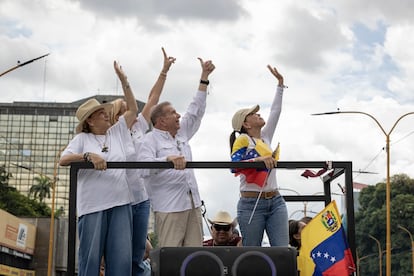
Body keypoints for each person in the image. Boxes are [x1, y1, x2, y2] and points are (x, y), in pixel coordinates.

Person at [59, 62, 139, 275]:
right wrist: (86, 156)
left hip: (121, 202)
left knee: (121, 260)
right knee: (90, 259)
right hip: (93, 206)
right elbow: (63, 159)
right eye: (101, 113)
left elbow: (133, 109)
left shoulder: (118, 132)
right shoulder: (82, 138)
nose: (106, 114)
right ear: (90, 121)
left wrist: (124, 81)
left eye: (105, 111)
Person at [137, 57, 215, 247]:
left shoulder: (182, 133)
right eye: (173, 113)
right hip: (169, 208)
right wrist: (166, 160)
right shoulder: (149, 140)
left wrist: (204, 78)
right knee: (171, 259)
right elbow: (142, 169)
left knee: (195, 257)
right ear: (161, 121)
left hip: (193, 204)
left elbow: (195, 110)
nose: (178, 115)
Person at [112, 47, 175, 276]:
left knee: (138, 253)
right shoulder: (113, 133)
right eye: (123, 110)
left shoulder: (139, 125)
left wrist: (164, 71)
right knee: (119, 253)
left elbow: (153, 99)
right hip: (120, 200)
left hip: (141, 199)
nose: (129, 111)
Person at [229, 65, 288, 247]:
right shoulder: (243, 140)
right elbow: (234, 166)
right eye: (253, 114)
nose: (259, 114)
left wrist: (280, 85)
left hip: (276, 200)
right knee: (252, 254)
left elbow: (275, 112)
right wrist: (259, 159)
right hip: (251, 201)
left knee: (282, 251)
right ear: (246, 124)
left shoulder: (265, 137)